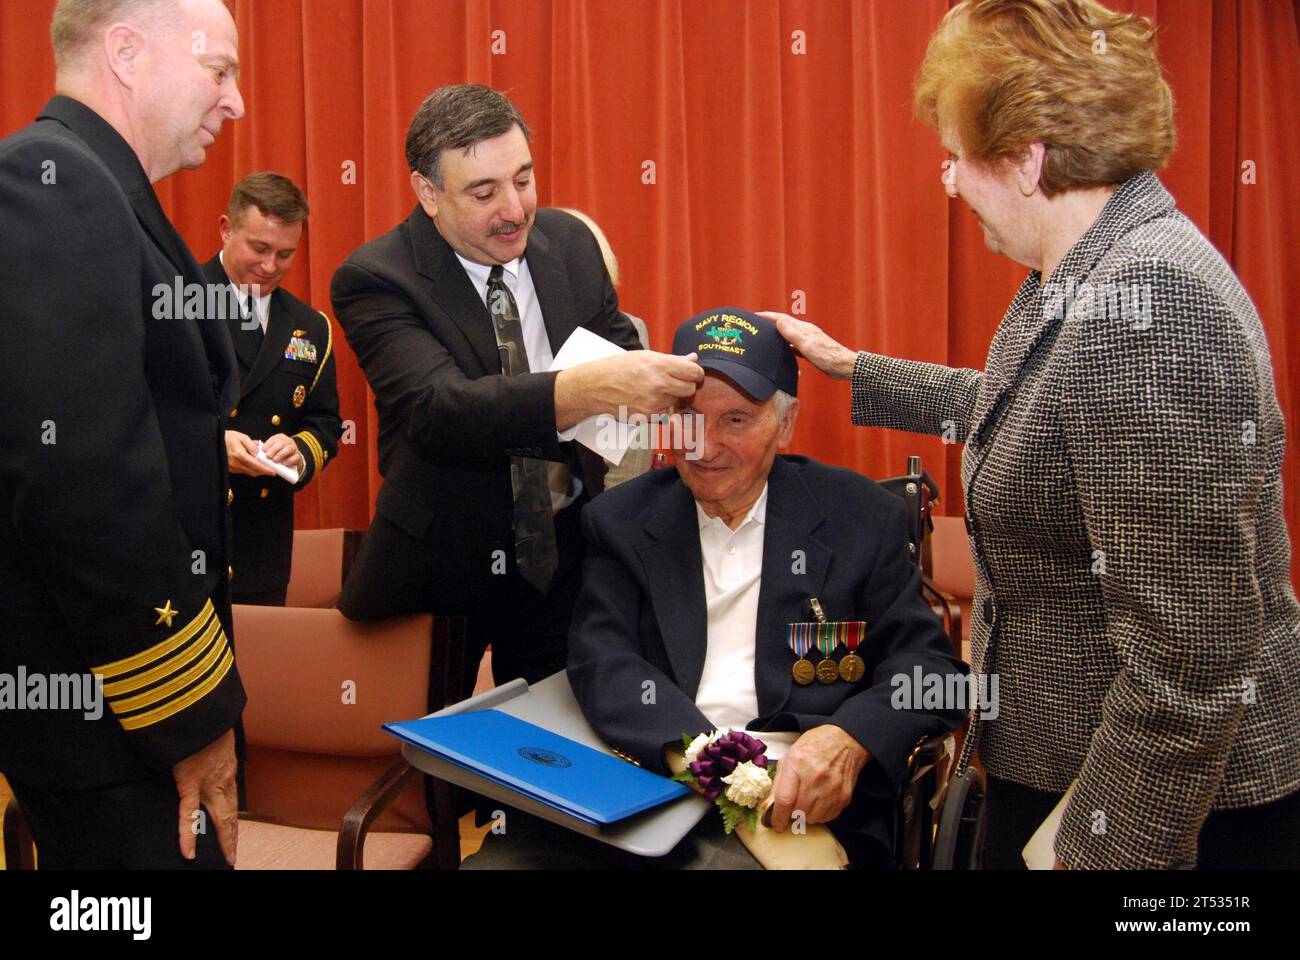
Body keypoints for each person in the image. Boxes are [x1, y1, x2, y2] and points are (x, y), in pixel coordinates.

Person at [768, 0, 1300, 869]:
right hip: (1069, 762)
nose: (946, 183)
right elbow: (1040, 417)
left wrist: (1090, 853)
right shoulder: (1091, 262)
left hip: (1146, 804)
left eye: (955, 158)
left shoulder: (1149, 311)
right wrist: (857, 369)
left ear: (1025, 158)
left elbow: (1190, 669)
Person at [462, 309, 967, 869]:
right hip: (650, 773)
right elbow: (602, 659)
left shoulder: (859, 518)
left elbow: (929, 671)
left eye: (735, 420)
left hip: (790, 798)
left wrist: (850, 739)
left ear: (786, 423)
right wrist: (708, 758)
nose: (703, 445)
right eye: (687, 417)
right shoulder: (621, 520)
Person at [331, 83, 703, 693]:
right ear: (428, 192)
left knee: (554, 754)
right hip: (445, 570)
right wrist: (583, 389)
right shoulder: (376, 277)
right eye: (484, 192)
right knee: (436, 766)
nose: (515, 209)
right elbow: (439, 410)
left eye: (524, 179)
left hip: (563, 557)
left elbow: (621, 349)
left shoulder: (573, 244)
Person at [0, 0, 247, 868]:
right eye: (220, 69)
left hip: (117, 708)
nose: (235, 102)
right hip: (116, 720)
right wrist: (188, 718)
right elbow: (83, 478)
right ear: (129, 53)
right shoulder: (52, 178)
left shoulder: (97, 183)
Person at [201, 172, 342, 606]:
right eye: (259, 248)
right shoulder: (175, 303)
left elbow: (326, 423)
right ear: (226, 229)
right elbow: (141, 412)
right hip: (187, 535)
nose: (270, 266)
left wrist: (299, 449)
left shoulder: (311, 326)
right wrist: (210, 445)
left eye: (285, 254)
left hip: (262, 542)